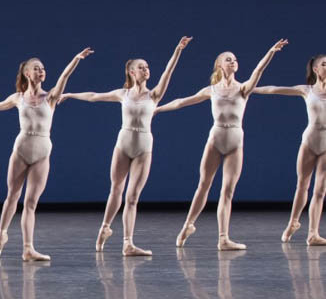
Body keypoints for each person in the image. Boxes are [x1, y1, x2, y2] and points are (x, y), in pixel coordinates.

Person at [0, 48, 93, 261]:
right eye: (36, 69)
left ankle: (28, 248)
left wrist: (76, 59)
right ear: (27, 74)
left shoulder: (50, 97)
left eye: (43, 69)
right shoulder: (18, 98)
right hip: (21, 149)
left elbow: (64, 77)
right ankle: (1, 234)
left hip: (42, 151)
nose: (41, 71)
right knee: (12, 195)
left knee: (31, 203)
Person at [62, 37, 192, 255]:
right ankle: (104, 228)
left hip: (144, 147)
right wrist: (70, 94)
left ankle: (127, 243)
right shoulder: (122, 94)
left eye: (147, 67)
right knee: (116, 190)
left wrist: (178, 49)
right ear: (132, 72)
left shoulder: (155, 94)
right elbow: (94, 96)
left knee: (132, 197)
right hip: (123, 144)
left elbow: (168, 73)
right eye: (141, 67)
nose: (146, 69)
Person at [157, 39, 288, 250]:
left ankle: (223, 238)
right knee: (203, 185)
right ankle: (187, 226)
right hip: (215, 139)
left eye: (235, 60)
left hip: (235, 142)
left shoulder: (243, 88)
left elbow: (258, 70)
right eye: (229, 60)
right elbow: (182, 101)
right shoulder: (211, 90)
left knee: (227, 191)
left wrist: (271, 51)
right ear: (220, 65)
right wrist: (157, 110)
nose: (233, 62)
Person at [253, 53, 326, 245]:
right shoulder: (307, 90)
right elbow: (275, 89)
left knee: (320, 191)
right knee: (302, 186)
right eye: (324, 64)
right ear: (316, 69)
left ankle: (313, 233)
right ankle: (293, 222)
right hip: (309, 142)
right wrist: (250, 88)